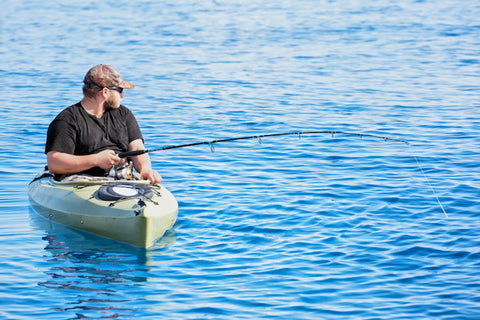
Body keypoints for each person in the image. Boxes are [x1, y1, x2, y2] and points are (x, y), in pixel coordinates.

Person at [45, 64, 162, 184]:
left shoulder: (124, 114)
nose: (122, 95)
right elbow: (54, 164)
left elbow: (137, 148)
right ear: (105, 92)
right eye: (120, 90)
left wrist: (145, 168)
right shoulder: (67, 120)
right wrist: (96, 160)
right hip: (82, 182)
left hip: (121, 178)